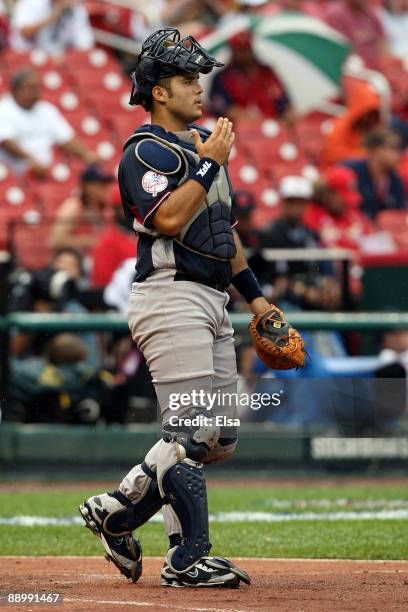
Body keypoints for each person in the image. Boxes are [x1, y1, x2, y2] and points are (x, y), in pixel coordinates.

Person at [78, 27, 277, 588]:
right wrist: (210, 163)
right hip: (170, 296)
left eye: (198, 77)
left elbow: (221, 230)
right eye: (187, 78)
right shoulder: (144, 149)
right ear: (158, 91)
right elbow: (165, 217)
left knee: (216, 438)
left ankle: (118, 513)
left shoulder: (200, 144)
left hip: (213, 297)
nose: (198, 86)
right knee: (189, 431)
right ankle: (187, 557)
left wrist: (259, 301)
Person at [256, 176, 341, 310]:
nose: (296, 207)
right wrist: (302, 291)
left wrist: (329, 284)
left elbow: (325, 268)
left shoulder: (312, 234)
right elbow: (275, 278)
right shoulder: (269, 234)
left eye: (301, 202)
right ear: (283, 202)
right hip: (284, 302)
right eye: (291, 201)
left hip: (315, 298)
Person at [0, 69, 97, 176]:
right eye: (30, 87)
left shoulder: (47, 109)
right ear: (15, 90)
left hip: (44, 170)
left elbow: (66, 138)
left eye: (37, 87)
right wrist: (30, 160)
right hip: (13, 173)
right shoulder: (4, 108)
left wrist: (87, 155)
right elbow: (7, 142)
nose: (35, 91)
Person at [209, 30, 291, 123]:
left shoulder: (267, 72)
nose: (244, 54)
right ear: (232, 50)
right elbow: (226, 111)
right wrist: (260, 122)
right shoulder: (222, 77)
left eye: (246, 48)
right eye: (239, 49)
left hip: (275, 130)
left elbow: (287, 107)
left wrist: (280, 124)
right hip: (240, 132)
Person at [341, 128, 406, 219]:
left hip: (382, 232)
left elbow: (400, 215)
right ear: (375, 150)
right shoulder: (350, 170)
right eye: (392, 148)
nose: (399, 154)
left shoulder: (396, 181)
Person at [50, 164, 114, 256]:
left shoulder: (106, 207)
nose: (106, 188)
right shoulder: (74, 206)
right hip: (77, 259)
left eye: (107, 184)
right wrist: (86, 241)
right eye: (101, 184)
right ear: (88, 187)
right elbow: (56, 240)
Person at [304, 166, 373, 249]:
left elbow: (369, 240)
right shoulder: (312, 216)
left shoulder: (354, 214)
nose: (347, 204)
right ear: (329, 194)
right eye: (344, 198)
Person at [320, 81, 382, 169]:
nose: (370, 119)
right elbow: (332, 155)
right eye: (367, 114)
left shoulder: (373, 131)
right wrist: (365, 155)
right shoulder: (339, 127)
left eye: (373, 114)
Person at [90, 185, 135, 287]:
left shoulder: (147, 232)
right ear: (116, 209)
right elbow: (102, 286)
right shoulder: (107, 242)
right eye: (125, 206)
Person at [10, 0, 94, 56]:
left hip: (61, 56)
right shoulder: (31, 3)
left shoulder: (76, 9)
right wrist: (53, 16)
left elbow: (85, 44)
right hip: (28, 55)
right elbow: (24, 32)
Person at [324, 0, 388, 69]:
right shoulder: (335, 14)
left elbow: (382, 42)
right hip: (352, 69)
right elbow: (340, 50)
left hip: (376, 67)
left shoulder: (369, 12)